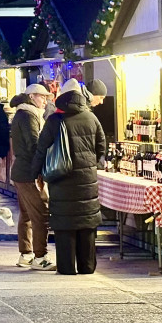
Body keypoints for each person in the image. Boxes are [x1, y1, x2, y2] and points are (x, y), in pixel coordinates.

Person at [31, 78, 107, 276]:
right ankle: (87, 267)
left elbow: (41, 149)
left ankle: (66, 268)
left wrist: (35, 173)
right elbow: (102, 147)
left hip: (61, 180)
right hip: (87, 182)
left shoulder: (54, 120)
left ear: (61, 98)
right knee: (87, 224)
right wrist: (91, 164)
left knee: (65, 225)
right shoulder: (91, 118)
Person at [10, 83, 53, 269]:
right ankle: (40, 257)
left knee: (27, 214)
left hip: (21, 170)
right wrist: (39, 171)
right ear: (32, 97)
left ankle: (26, 254)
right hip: (28, 172)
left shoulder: (22, 113)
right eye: (42, 96)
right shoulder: (28, 115)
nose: (45, 100)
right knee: (40, 213)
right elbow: (34, 144)